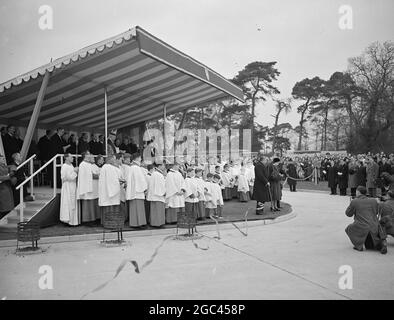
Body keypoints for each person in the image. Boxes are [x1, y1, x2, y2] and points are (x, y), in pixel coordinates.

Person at [345, 186, 387, 254]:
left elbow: (348, 214)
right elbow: (376, 212)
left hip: (361, 226)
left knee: (349, 228)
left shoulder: (355, 201)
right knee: (371, 243)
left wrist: (351, 205)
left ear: (358, 192)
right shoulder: (373, 200)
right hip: (374, 225)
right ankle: (381, 244)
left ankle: (358, 245)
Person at [98, 154, 124, 226]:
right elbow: (112, 181)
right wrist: (119, 181)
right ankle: (111, 224)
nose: (115, 160)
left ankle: (107, 223)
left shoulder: (105, 167)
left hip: (105, 191)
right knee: (111, 207)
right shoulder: (109, 167)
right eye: (114, 159)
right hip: (110, 192)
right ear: (110, 159)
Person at [125, 153, 147, 227]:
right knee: (138, 208)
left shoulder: (132, 167)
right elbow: (140, 180)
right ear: (137, 158)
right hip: (137, 191)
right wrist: (144, 188)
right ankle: (138, 223)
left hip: (133, 190)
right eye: (140, 158)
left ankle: (135, 223)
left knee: (135, 208)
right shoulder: (136, 168)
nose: (141, 159)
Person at [77, 152, 99, 223]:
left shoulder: (88, 164)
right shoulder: (82, 164)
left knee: (92, 201)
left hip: (91, 186)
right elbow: (88, 175)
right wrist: (97, 175)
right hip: (86, 187)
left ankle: (93, 219)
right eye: (89, 154)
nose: (90, 155)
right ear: (86, 155)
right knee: (87, 202)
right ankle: (87, 220)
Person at [60, 153, 80, 226]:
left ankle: (73, 221)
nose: (73, 158)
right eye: (71, 157)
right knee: (68, 203)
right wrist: (75, 172)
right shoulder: (64, 166)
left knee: (72, 203)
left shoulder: (71, 165)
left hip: (73, 186)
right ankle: (67, 220)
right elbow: (65, 178)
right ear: (66, 158)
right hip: (67, 187)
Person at [147, 163, 166, 227]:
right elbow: (160, 185)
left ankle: (154, 223)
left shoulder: (154, 173)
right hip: (158, 195)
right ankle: (158, 223)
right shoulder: (158, 174)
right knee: (158, 210)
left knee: (154, 210)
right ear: (159, 166)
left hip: (154, 195)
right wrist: (164, 192)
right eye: (163, 165)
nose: (164, 167)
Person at [0, 155, 14, 219]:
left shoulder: (4, 165)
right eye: (2, 158)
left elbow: (11, 167)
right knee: (4, 208)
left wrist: (11, 170)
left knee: (7, 208)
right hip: (2, 188)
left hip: (7, 187)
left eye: (4, 158)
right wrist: (8, 177)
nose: (3, 160)